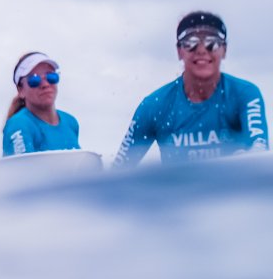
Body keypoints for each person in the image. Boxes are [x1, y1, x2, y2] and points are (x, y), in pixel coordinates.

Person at [114, 11, 268, 166]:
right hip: (178, 190)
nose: (201, 50)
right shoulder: (153, 106)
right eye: (191, 42)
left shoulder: (244, 95)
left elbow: (260, 152)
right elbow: (119, 169)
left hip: (234, 190)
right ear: (179, 51)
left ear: (224, 50)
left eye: (211, 42)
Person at [2, 52, 80, 156]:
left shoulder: (71, 122)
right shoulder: (18, 125)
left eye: (51, 76)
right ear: (20, 90)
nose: (45, 84)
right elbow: (21, 170)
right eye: (34, 79)